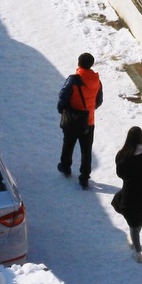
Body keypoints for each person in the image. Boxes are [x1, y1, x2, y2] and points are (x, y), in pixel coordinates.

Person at [55, 52, 101, 188]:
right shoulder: (97, 81)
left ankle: (65, 167)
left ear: (79, 63)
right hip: (89, 121)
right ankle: (84, 177)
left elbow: (63, 96)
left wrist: (62, 109)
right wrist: (90, 109)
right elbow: (99, 100)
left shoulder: (73, 80)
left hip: (72, 119)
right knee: (86, 150)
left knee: (68, 144)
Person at [111, 125, 142, 254]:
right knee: (140, 215)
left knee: (131, 219)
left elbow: (120, 173)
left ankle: (137, 250)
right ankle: (135, 241)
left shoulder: (122, 155)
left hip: (130, 189)